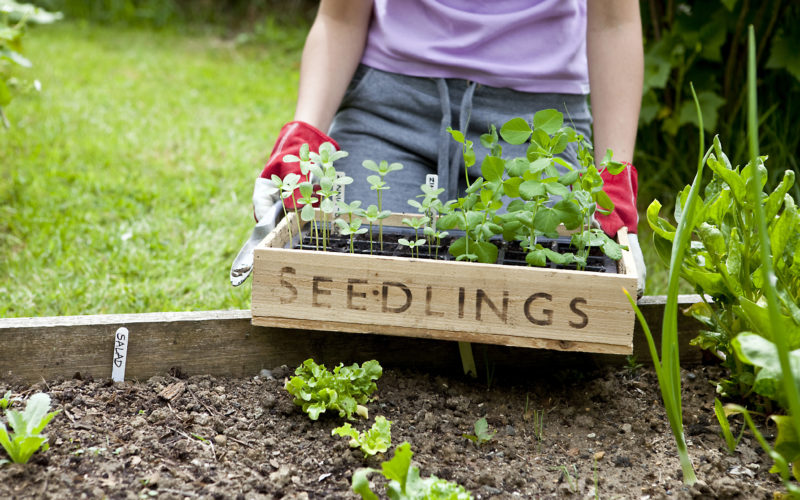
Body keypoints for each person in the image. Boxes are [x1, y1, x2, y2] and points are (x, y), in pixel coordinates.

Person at [246, 0, 645, 291]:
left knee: (541, 290)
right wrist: (303, 136)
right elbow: (340, 17)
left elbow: (614, 22)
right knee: (348, 279)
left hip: (536, 125)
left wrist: (613, 181)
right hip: (391, 107)